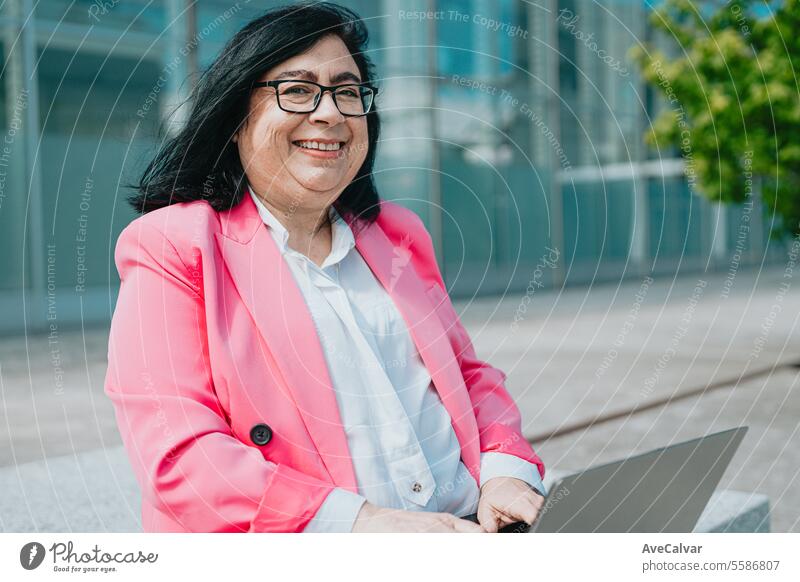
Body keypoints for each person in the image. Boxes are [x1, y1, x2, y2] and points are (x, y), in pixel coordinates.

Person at [105, 1, 546, 533]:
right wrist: (362, 526)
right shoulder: (173, 245)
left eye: (347, 91)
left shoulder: (395, 234)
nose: (331, 112)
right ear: (235, 118)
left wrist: (505, 473)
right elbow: (181, 456)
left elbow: (468, 379)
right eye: (296, 90)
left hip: (471, 528)